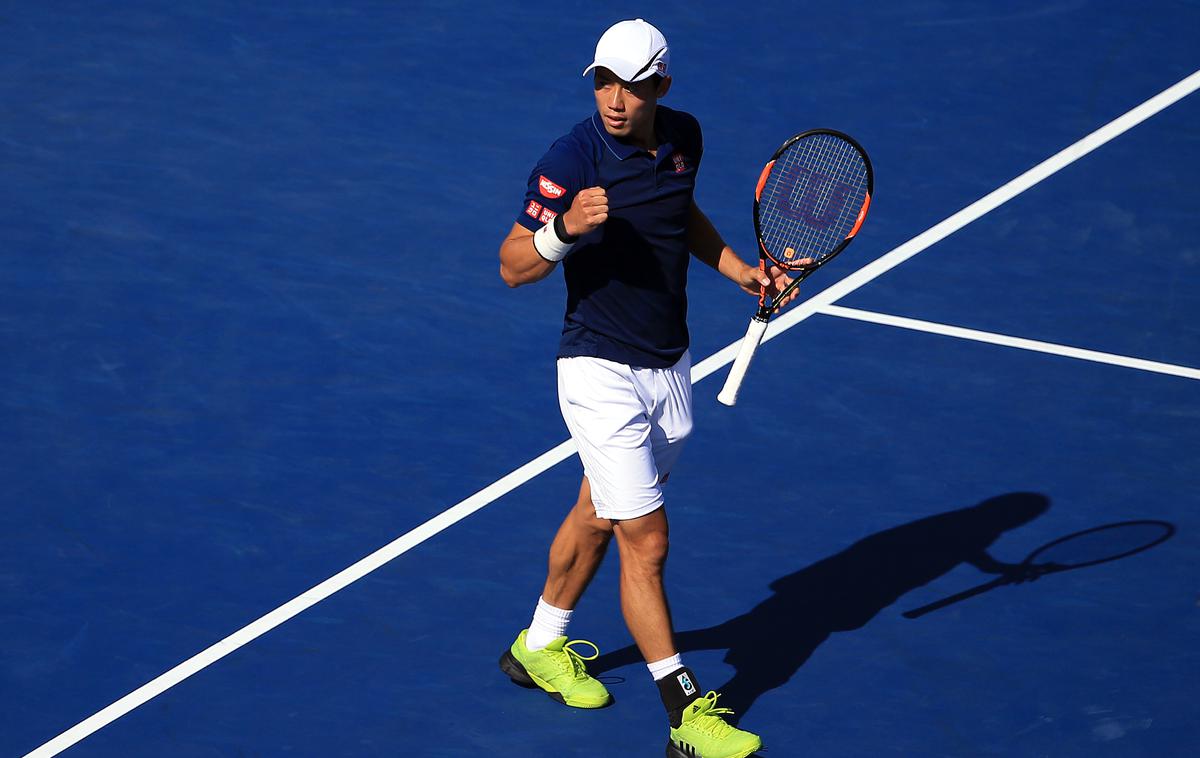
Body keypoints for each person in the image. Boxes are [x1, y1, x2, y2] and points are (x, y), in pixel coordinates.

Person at [497, 19, 797, 758]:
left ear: (661, 86)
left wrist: (739, 271)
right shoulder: (571, 158)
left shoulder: (684, 137)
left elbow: (680, 215)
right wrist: (562, 230)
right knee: (648, 540)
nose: (614, 99)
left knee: (599, 510)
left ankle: (538, 646)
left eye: (630, 85)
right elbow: (510, 264)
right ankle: (686, 717)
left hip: (669, 366)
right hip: (597, 368)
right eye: (603, 81)